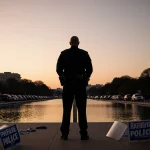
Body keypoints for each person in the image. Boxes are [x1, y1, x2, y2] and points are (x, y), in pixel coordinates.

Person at [56, 36, 93, 140]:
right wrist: (85, 76)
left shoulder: (64, 54)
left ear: (70, 43)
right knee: (82, 110)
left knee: (66, 110)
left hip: (68, 84)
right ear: (78, 43)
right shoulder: (84, 54)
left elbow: (58, 69)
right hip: (80, 84)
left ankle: (65, 134)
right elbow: (90, 69)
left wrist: (64, 75)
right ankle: (83, 133)